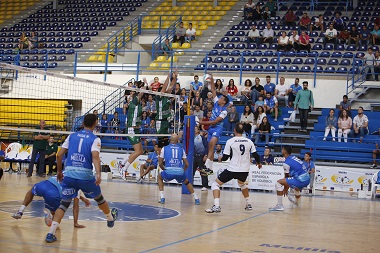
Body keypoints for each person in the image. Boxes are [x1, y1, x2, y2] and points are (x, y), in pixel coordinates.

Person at [44, 114, 118, 243]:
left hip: (69, 174)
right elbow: (95, 157)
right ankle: (110, 219)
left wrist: (60, 172)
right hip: (85, 176)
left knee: (64, 204)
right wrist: (98, 174)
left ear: (83, 123)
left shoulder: (71, 136)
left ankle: (50, 234)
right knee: (100, 199)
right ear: (95, 124)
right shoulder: (95, 139)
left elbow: (59, 155)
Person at [205, 123, 262, 213]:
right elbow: (255, 154)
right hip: (244, 170)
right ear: (243, 131)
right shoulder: (249, 141)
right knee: (242, 184)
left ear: (234, 130)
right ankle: (248, 204)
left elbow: (225, 157)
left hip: (232, 169)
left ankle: (216, 206)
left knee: (215, 185)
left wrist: (220, 158)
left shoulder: (230, 141)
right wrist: (259, 163)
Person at [12, 177, 90, 228]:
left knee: (32, 190)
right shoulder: (77, 184)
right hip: (53, 194)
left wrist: (83, 199)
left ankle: (20, 211)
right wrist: (75, 223)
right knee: (57, 214)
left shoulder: (69, 171)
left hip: (45, 184)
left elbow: (76, 195)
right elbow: (75, 205)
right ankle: (50, 218)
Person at [199, 74, 229, 175]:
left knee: (212, 144)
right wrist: (211, 79)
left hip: (217, 128)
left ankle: (207, 165)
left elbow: (215, 121)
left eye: (221, 98)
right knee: (210, 146)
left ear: (224, 102)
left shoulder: (224, 111)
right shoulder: (216, 103)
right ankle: (210, 169)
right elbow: (212, 89)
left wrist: (202, 122)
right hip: (211, 128)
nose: (219, 98)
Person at [157, 134, 200, 204]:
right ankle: (196, 198)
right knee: (187, 182)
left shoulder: (164, 148)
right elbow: (187, 164)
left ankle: (162, 197)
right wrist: (183, 170)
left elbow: (160, 163)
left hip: (168, 171)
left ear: (170, 140)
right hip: (180, 171)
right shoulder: (181, 149)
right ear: (177, 141)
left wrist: (164, 169)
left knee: (159, 177)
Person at [269, 145, 310, 211]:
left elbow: (286, 177)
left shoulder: (286, 163)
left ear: (284, 151)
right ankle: (296, 203)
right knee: (296, 187)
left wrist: (285, 189)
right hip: (307, 179)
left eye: (282, 149)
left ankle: (280, 205)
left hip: (301, 180)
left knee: (278, 183)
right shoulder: (294, 157)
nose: (281, 150)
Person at [193, 126, 209, 191]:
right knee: (192, 171)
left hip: (201, 156)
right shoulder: (191, 138)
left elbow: (206, 146)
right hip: (194, 156)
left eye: (195, 129)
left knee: (202, 170)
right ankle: (190, 184)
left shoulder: (201, 137)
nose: (194, 130)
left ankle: (205, 185)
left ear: (198, 130)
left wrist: (206, 155)